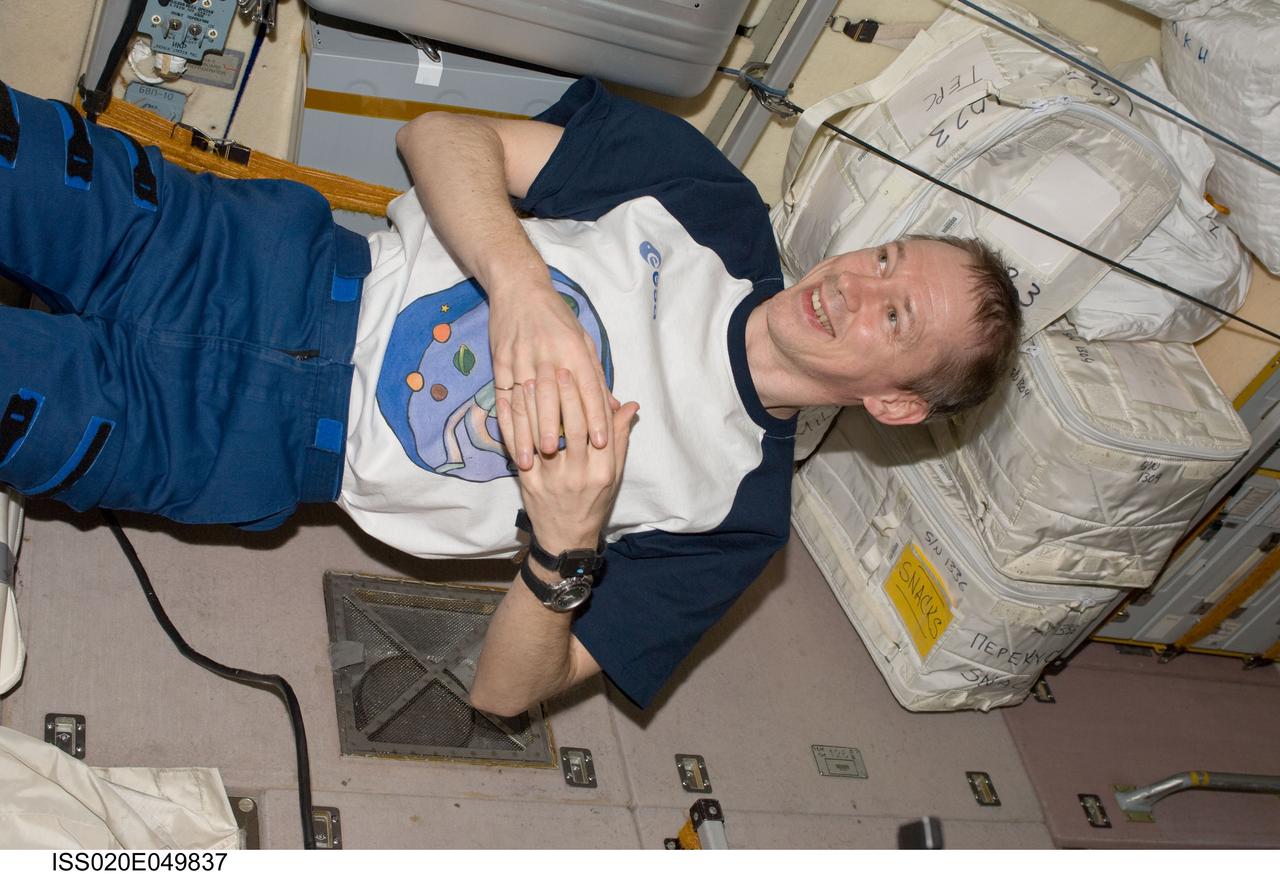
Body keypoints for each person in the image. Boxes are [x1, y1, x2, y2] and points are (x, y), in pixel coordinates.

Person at [0, 76, 1021, 716]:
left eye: (895, 317)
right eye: (886, 257)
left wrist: (563, 549)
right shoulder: (711, 204)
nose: (854, 286)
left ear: (896, 404)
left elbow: (502, 695)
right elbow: (436, 135)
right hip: (236, 249)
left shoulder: (737, 522)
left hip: (232, 442)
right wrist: (522, 287)